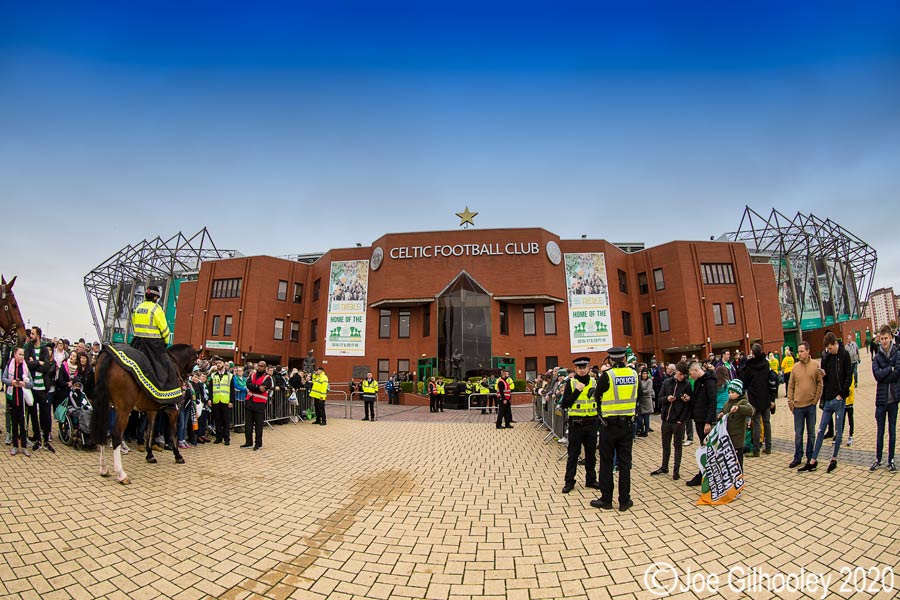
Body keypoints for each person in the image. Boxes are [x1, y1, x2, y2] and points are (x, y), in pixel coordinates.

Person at [590, 348, 638, 511]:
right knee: (625, 464)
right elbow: (638, 395)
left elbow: (597, 396)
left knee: (606, 463)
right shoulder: (634, 374)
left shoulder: (607, 376)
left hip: (609, 426)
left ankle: (606, 499)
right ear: (624, 359)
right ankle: (624, 501)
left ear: (610, 360)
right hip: (627, 425)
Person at [804, 332, 852, 473]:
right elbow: (827, 378)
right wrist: (824, 375)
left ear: (835, 344)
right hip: (829, 399)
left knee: (838, 431)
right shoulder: (827, 357)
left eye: (830, 348)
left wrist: (841, 394)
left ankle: (834, 459)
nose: (829, 351)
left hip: (839, 399)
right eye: (827, 349)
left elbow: (848, 376)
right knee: (820, 430)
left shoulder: (844, 355)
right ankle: (813, 460)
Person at [559, 357, 600, 494]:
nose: (582, 370)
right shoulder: (571, 382)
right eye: (579, 368)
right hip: (576, 424)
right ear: (575, 369)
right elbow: (565, 404)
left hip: (591, 423)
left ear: (588, 368)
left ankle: (591, 479)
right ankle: (569, 481)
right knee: (573, 454)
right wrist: (577, 391)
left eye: (584, 367)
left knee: (591, 454)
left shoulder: (594, 382)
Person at [129, 285, 180, 392]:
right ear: (155, 297)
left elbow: (134, 324)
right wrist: (165, 342)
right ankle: (164, 392)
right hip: (153, 344)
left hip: (137, 342)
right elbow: (165, 330)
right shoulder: (156, 309)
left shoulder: (138, 308)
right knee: (167, 366)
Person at [651, 361, 692, 480]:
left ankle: (676, 470)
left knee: (677, 445)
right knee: (665, 444)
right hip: (666, 419)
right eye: (680, 374)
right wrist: (667, 399)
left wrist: (681, 420)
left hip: (678, 420)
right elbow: (660, 398)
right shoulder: (667, 382)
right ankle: (664, 466)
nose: (681, 377)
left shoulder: (687, 385)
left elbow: (688, 405)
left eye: (684, 375)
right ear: (676, 372)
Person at [788, 341, 823, 469]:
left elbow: (820, 383)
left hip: (810, 406)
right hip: (798, 407)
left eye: (802, 351)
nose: (799, 353)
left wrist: (816, 400)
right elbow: (790, 386)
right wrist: (790, 402)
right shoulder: (795, 367)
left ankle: (810, 456)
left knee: (811, 433)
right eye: (798, 351)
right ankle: (798, 457)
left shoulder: (815, 365)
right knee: (798, 433)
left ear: (808, 351)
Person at [685, 361, 718, 487]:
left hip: (705, 421)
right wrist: (690, 399)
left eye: (690, 374)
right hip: (698, 419)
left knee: (707, 448)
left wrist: (708, 422)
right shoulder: (699, 382)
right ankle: (705, 473)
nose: (690, 376)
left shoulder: (709, 382)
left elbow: (712, 402)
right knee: (704, 447)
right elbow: (698, 398)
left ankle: (705, 474)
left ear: (696, 370)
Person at [871, 324, 899, 472]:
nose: (884, 341)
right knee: (880, 431)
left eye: (886, 338)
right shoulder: (877, 357)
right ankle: (878, 459)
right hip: (881, 400)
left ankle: (891, 460)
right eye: (881, 338)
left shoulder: (897, 353)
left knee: (892, 431)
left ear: (891, 338)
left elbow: (897, 373)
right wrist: (890, 369)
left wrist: (885, 374)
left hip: (893, 399)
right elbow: (877, 375)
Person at [24, 326, 55, 452]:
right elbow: (27, 364)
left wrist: (35, 362)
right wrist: (39, 362)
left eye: (32, 333)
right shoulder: (28, 348)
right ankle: (37, 438)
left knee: (45, 414)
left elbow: (47, 366)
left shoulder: (44, 349)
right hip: (32, 387)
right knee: (33, 414)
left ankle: (46, 439)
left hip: (42, 388)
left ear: (38, 336)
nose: (30, 335)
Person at [739, 343, 773, 458]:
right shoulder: (766, 363)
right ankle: (768, 447)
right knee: (767, 422)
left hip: (755, 398)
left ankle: (756, 450)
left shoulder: (750, 366)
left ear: (753, 353)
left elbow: (745, 381)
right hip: (766, 396)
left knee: (756, 422)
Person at [3, 348, 34, 456]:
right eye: (20, 354)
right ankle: (15, 445)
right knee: (14, 423)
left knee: (23, 424)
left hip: (22, 399)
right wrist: (11, 382)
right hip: (12, 398)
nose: (22, 357)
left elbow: (31, 383)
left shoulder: (25, 367)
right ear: (15, 354)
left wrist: (23, 384)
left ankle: (24, 446)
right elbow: (3, 378)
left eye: (23, 354)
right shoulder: (9, 365)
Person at [718, 379, 754, 469]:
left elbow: (751, 411)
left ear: (738, 392)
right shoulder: (727, 403)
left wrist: (739, 408)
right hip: (727, 437)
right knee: (728, 461)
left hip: (737, 439)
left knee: (737, 461)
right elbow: (724, 411)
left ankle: (739, 476)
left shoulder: (743, 402)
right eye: (729, 392)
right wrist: (721, 414)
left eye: (732, 392)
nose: (730, 394)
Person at [242, 360, 271, 450]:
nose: (259, 367)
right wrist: (258, 387)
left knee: (259, 425)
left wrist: (254, 387)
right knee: (248, 424)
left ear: (265, 367)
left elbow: (263, 389)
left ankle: (258, 444)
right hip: (249, 402)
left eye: (262, 366)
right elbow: (248, 384)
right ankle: (248, 442)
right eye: (259, 365)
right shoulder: (252, 374)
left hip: (260, 404)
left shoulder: (267, 378)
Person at [209, 356, 234, 445]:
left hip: (225, 401)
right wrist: (210, 399)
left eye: (220, 363)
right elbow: (210, 388)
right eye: (217, 363)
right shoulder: (213, 375)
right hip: (216, 400)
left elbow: (232, 390)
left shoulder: (230, 376)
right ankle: (218, 438)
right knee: (217, 420)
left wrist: (231, 401)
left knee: (226, 421)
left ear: (224, 364)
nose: (218, 365)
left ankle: (226, 438)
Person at [635, 369, 654, 436]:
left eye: (646, 373)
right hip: (641, 400)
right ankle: (641, 430)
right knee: (640, 416)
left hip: (647, 400)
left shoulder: (649, 381)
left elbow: (648, 390)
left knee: (646, 416)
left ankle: (646, 431)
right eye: (643, 373)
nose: (644, 375)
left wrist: (640, 392)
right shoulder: (640, 381)